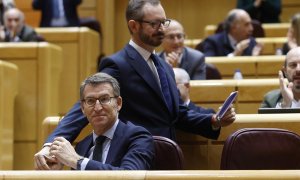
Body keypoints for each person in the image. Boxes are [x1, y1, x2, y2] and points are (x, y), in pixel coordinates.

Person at [34, 0, 236, 170]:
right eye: (154, 24)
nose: (162, 30)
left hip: (168, 160)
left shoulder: (164, 66)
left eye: (164, 22)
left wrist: (213, 120)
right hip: (133, 161)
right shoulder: (118, 64)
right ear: (133, 26)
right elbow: (86, 105)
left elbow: (176, 114)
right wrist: (50, 144)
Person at [38, 72, 154, 170]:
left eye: (104, 99)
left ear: (118, 103)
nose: (97, 108)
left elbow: (130, 176)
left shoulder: (138, 137)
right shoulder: (82, 146)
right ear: (83, 108)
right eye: (90, 101)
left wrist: (77, 161)